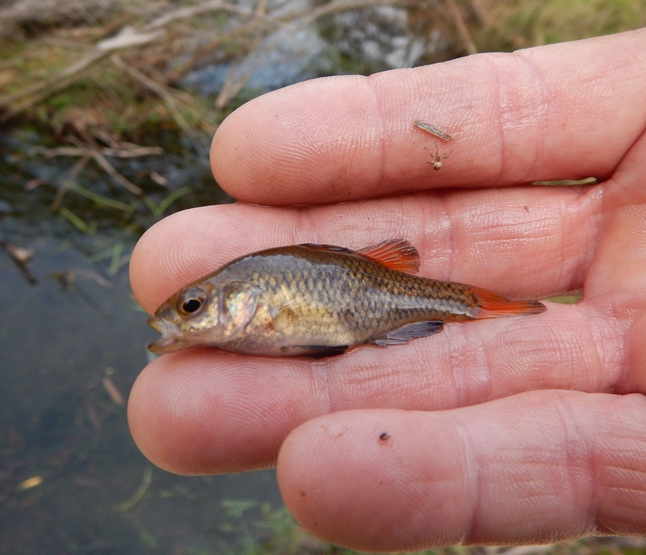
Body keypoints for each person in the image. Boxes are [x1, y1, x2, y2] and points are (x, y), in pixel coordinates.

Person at [128, 28, 646, 552]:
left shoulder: (254, 288)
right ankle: (497, 307)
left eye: (193, 306)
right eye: (190, 307)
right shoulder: (246, 299)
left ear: (240, 298)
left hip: (379, 293)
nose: (185, 315)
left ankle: (492, 306)